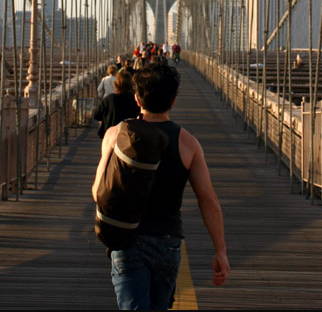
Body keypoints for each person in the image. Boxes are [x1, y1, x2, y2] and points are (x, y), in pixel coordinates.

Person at [92, 64, 230, 310]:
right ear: (174, 100)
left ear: (136, 98)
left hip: (126, 240)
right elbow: (208, 200)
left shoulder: (115, 135)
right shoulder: (189, 144)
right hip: (167, 242)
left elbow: (96, 192)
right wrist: (220, 251)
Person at [92, 71, 140, 139]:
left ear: (116, 84)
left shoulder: (110, 99)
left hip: (110, 136)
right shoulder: (134, 100)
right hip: (129, 137)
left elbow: (96, 115)